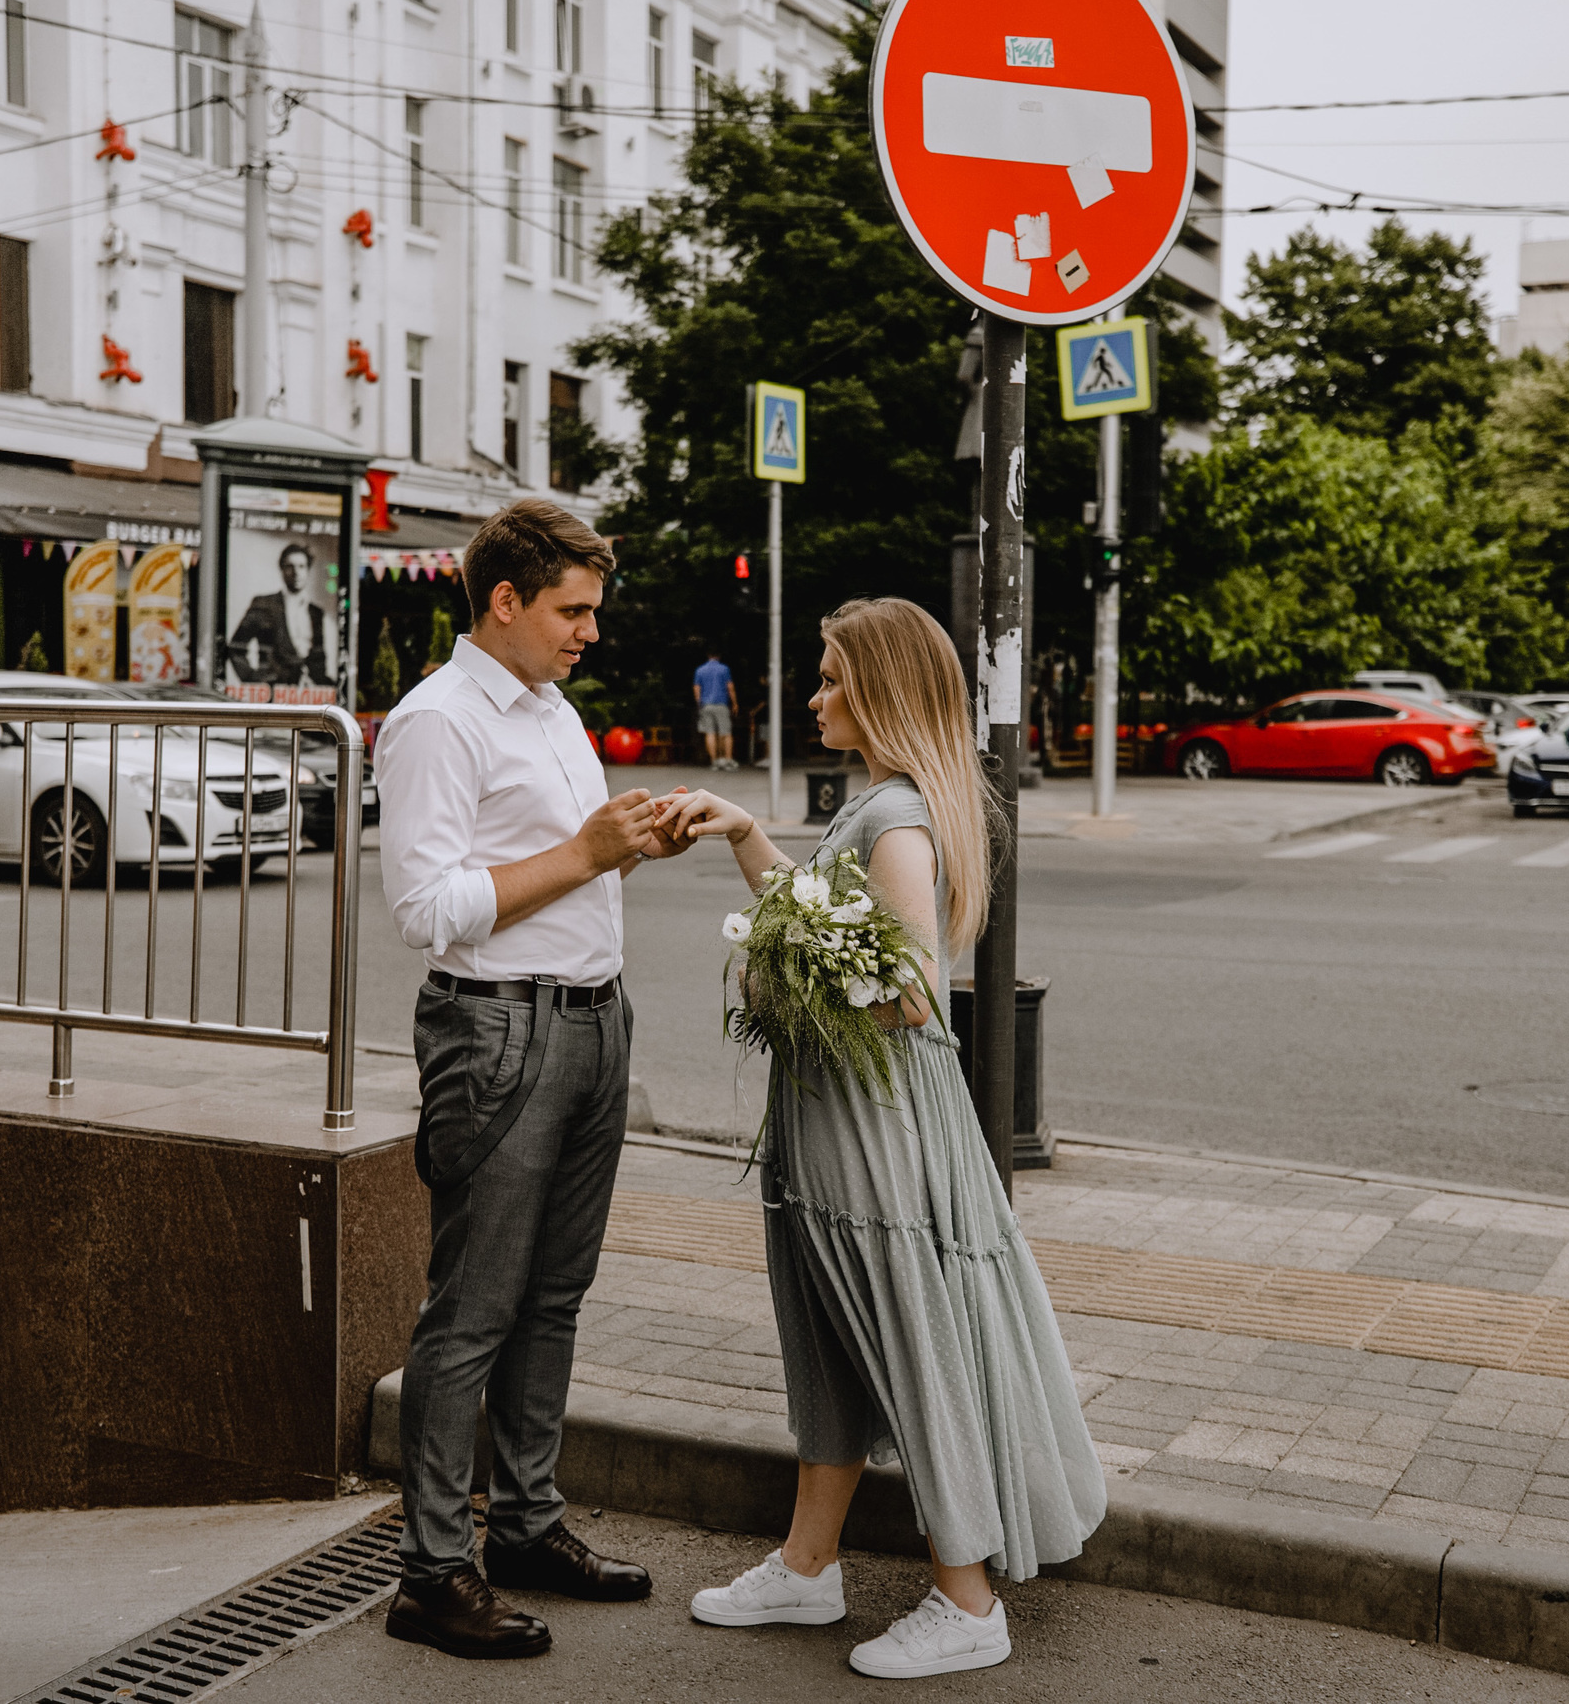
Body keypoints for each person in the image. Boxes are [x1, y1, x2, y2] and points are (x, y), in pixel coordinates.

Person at [651, 597, 1105, 1681]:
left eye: (830, 679)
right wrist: (748, 838)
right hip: (837, 1120)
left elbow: (907, 991)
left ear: (884, 691)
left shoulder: (898, 817)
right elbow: (836, 924)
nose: (813, 696)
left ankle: (966, 1599)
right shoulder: (880, 807)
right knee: (831, 1342)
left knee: (908, 1342)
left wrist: (786, 965)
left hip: (878, 1134)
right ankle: (809, 1569)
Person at [373, 498, 690, 1659]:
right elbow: (427, 909)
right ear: (503, 601)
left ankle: (527, 1526)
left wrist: (630, 840)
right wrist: (585, 852)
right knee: (471, 1314)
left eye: (593, 611)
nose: (589, 633)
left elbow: (557, 866)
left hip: (592, 1025)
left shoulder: (549, 706)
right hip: (497, 1036)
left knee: (554, 1295)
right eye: (572, 610)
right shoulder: (437, 721)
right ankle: (432, 1572)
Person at [226, 542, 335, 686]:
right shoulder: (264, 605)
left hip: (310, 694)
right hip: (275, 692)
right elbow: (236, 647)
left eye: (302, 566)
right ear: (282, 570)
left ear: (308, 570)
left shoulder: (316, 612)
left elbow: (318, 657)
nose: (296, 572)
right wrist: (254, 680)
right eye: (290, 566)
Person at [694, 648, 739, 770]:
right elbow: (730, 687)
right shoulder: (724, 669)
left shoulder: (700, 670)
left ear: (708, 655)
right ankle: (727, 760)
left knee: (710, 733)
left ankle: (714, 761)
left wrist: (699, 704)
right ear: (719, 656)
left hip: (706, 705)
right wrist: (734, 703)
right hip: (721, 703)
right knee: (726, 733)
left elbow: (697, 688)